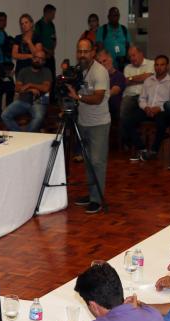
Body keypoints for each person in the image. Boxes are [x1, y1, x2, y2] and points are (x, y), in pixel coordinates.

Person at [68, 38, 110, 215]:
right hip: (83, 121)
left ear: (93, 52)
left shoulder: (100, 72)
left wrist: (77, 97)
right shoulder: (79, 71)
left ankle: (97, 200)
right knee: (87, 161)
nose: (82, 55)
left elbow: (98, 98)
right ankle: (92, 194)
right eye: (79, 51)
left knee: (97, 162)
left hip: (99, 123)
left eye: (85, 51)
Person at [124, 55, 170, 161]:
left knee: (162, 122)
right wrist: (146, 107)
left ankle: (154, 150)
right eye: (156, 65)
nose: (159, 67)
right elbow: (142, 99)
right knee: (127, 121)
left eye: (162, 65)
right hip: (147, 110)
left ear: (167, 66)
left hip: (163, 111)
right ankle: (141, 148)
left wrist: (159, 108)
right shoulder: (148, 80)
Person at [0, 46, 52, 133]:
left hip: (40, 101)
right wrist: (30, 90)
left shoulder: (47, 71)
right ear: (32, 58)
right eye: (36, 57)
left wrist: (29, 85)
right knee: (4, 115)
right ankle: (20, 134)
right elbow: (17, 88)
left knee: (38, 117)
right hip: (23, 100)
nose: (37, 60)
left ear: (44, 61)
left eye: (41, 59)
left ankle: (26, 135)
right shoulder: (24, 71)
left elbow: (46, 88)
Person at [120, 46, 155, 124]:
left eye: (133, 55)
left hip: (146, 96)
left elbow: (148, 78)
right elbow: (125, 82)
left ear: (141, 54)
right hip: (130, 96)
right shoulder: (127, 67)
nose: (132, 58)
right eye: (130, 57)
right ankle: (125, 135)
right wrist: (142, 78)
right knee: (123, 113)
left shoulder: (151, 63)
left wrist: (131, 78)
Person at [95, 49, 127, 118]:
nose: (103, 64)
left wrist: (97, 95)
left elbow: (114, 91)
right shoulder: (97, 76)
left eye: (104, 61)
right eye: (100, 63)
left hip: (112, 110)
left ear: (111, 59)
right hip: (99, 109)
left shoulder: (119, 75)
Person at [34, 4, 57, 83]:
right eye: (52, 14)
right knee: (42, 78)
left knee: (52, 78)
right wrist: (47, 51)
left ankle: (52, 95)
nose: (53, 16)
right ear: (47, 13)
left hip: (50, 56)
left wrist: (52, 50)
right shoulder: (39, 25)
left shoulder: (51, 25)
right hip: (42, 57)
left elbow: (54, 39)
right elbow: (37, 41)